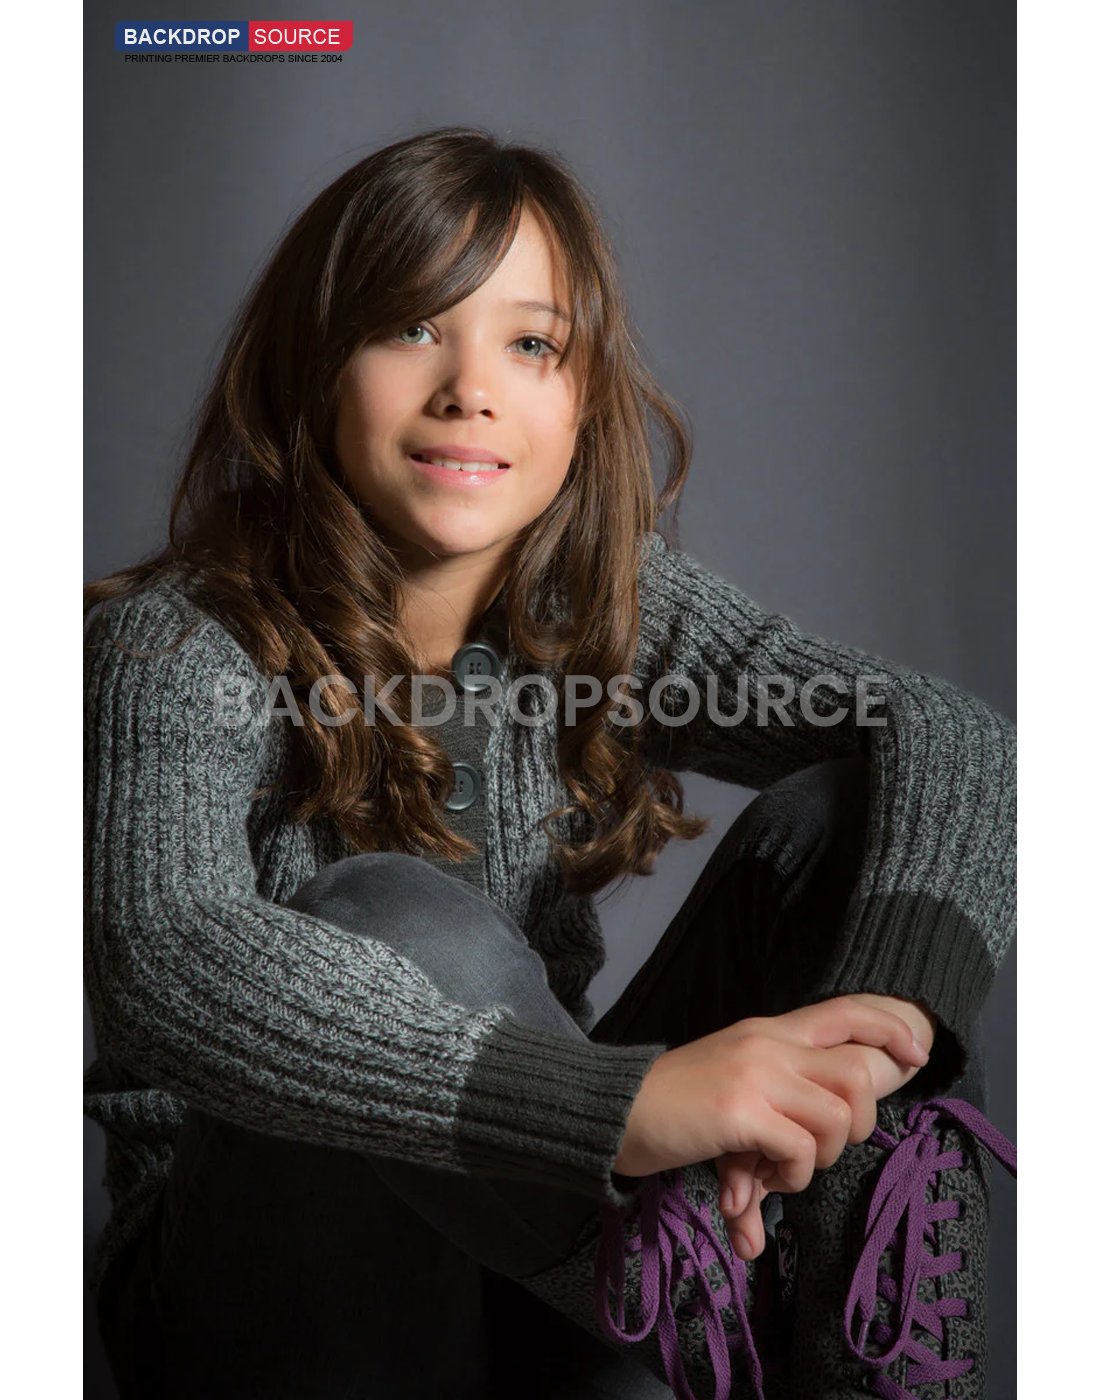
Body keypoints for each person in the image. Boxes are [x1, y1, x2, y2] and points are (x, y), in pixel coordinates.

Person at [84, 125, 1016, 1400]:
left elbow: (945, 732)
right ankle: (675, 1303)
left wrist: (888, 1017)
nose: (470, 388)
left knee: (846, 815)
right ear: (314, 365)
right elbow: (165, 954)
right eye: (411, 327)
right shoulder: (174, 647)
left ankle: (856, 1357)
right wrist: (617, 1107)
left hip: (554, 1250)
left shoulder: (595, 613)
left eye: (530, 345)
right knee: (393, 913)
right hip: (275, 1289)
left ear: (581, 398)